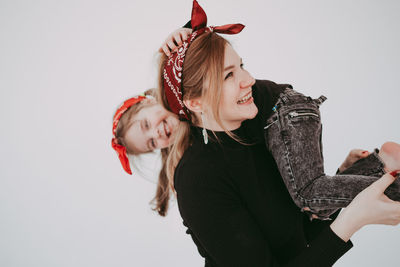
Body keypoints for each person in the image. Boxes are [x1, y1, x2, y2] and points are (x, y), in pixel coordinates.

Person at [155, 0, 400, 265]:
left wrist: (344, 179)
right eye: (228, 76)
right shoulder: (198, 179)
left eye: (241, 65)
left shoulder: (260, 129)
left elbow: (299, 234)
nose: (248, 79)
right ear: (195, 103)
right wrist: (354, 219)